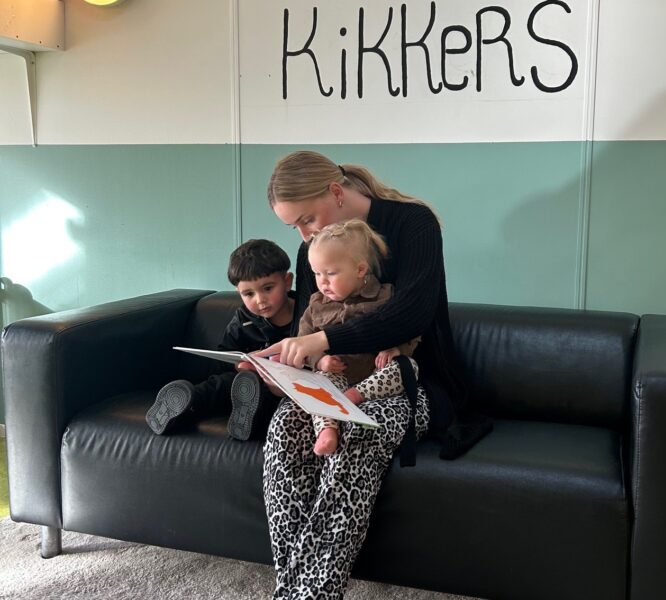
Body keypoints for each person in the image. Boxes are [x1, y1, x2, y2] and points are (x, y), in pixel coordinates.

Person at [256, 151, 492, 599]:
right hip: (337, 383)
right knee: (286, 426)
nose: (305, 235)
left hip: (411, 382)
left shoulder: (413, 224)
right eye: (295, 228)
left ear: (336, 192)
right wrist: (283, 366)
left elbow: (412, 314)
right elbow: (308, 325)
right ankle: (296, 593)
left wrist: (324, 341)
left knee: (359, 430)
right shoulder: (313, 249)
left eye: (307, 219)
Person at [145, 239, 294, 440]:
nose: (260, 300)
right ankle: (188, 401)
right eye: (249, 294)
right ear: (239, 293)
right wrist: (241, 365)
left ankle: (248, 416)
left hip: (282, 388)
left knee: (264, 392)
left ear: (287, 281)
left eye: (268, 288)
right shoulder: (243, 318)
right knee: (224, 383)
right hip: (244, 382)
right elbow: (224, 356)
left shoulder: (307, 314)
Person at [299, 218, 420, 456]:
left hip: (375, 377)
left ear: (360, 270)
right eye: (317, 273)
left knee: (407, 367)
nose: (322, 282)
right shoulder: (316, 305)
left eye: (331, 273)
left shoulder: (386, 296)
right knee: (319, 383)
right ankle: (328, 429)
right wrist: (319, 360)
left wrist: (396, 349)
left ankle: (352, 397)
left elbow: (411, 328)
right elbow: (303, 340)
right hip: (337, 375)